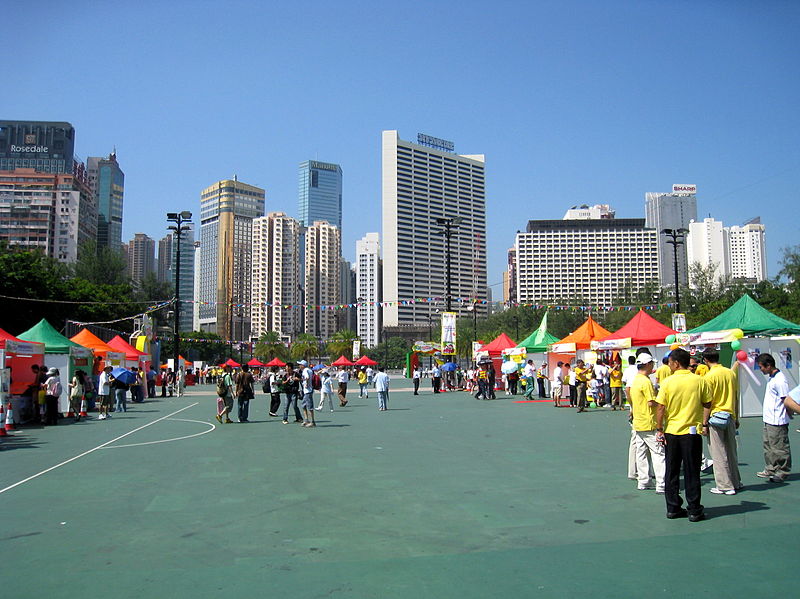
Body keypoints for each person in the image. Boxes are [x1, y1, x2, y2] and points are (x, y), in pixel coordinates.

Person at [655, 348, 712, 522]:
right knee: (692, 471)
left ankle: (673, 507)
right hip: (691, 432)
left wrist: (659, 428)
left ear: (676, 363)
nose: (669, 365)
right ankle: (694, 509)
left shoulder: (667, 382)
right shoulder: (699, 381)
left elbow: (661, 407)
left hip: (672, 431)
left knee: (672, 471)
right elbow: (707, 402)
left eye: (671, 362)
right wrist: (704, 423)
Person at [703, 349, 741, 494]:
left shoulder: (708, 377)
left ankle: (724, 485)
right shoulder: (730, 373)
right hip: (730, 415)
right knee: (731, 451)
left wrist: (704, 422)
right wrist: (736, 417)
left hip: (716, 417)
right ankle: (736, 481)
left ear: (705, 360)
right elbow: (735, 396)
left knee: (718, 453)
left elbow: (708, 402)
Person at [629, 354, 666, 493]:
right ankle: (661, 483)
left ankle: (643, 481)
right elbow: (651, 402)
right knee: (658, 453)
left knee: (641, 453)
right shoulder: (645, 382)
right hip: (649, 423)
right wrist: (662, 400)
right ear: (648, 364)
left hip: (638, 422)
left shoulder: (635, 380)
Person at [755, 353, 791, 483]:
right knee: (768, 446)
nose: (761, 370)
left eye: (761, 367)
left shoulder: (780, 380)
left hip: (778, 420)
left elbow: (785, 399)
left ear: (769, 365)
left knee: (779, 447)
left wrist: (789, 414)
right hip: (769, 419)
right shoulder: (772, 377)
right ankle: (770, 468)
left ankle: (782, 471)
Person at [298, 360, 316, 427]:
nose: (299, 366)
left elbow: (307, 377)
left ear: (303, 365)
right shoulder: (309, 370)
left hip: (308, 391)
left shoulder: (305, 370)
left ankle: (312, 422)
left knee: (309, 406)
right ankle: (306, 420)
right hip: (308, 391)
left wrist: (306, 384)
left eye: (300, 364)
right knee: (303, 405)